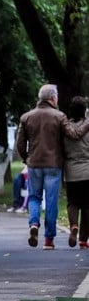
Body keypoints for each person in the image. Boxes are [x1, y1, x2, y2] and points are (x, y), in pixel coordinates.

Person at [15, 84, 89, 250]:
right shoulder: (59, 116)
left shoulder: (26, 117)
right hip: (53, 165)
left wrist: (27, 158)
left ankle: (34, 224)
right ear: (52, 98)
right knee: (51, 201)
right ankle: (49, 240)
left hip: (34, 164)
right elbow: (74, 135)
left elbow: (20, 144)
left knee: (34, 198)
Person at [63, 96, 89, 249]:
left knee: (73, 203)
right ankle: (84, 240)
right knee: (87, 206)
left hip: (71, 171)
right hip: (87, 171)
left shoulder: (65, 129)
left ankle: (73, 226)